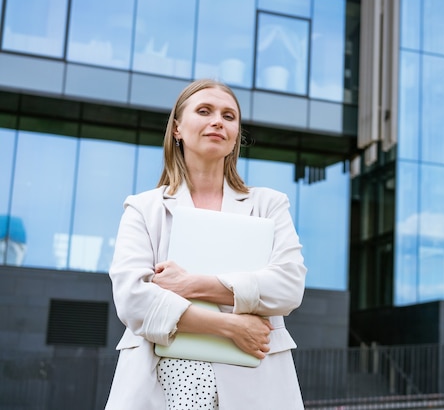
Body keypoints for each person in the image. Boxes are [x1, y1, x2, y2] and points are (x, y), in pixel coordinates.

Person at [105, 79, 307, 409]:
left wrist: (192, 285)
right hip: (161, 381)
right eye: (204, 111)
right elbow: (132, 300)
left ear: (236, 136)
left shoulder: (270, 205)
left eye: (229, 116)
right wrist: (230, 326)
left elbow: (288, 287)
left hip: (256, 383)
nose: (218, 121)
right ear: (177, 129)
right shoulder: (144, 208)